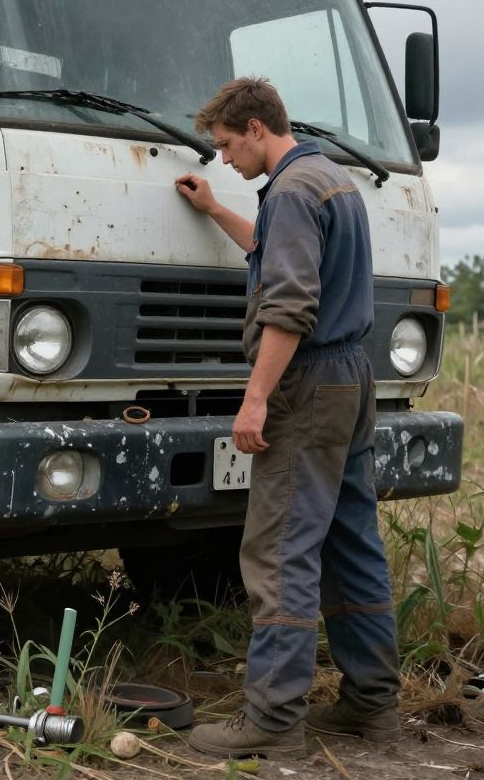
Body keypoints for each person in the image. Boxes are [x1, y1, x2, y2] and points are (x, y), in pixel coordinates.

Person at [177, 77, 401, 761]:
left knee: (278, 549)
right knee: (349, 538)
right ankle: (373, 705)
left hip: (306, 383)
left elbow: (289, 304)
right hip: (352, 378)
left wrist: (255, 397)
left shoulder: (295, 192)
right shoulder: (329, 180)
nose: (223, 160)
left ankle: (273, 719)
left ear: (254, 126)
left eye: (225, 147)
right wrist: (217, 210)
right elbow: (277, 257)